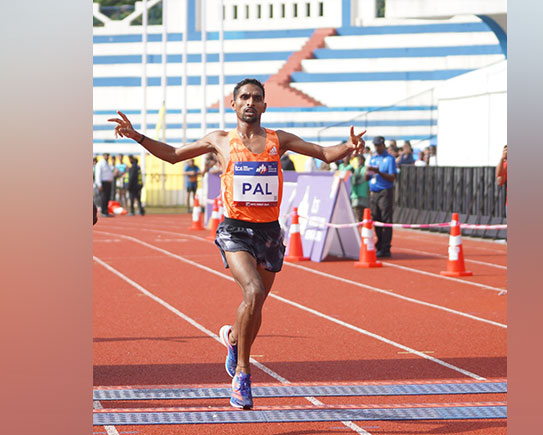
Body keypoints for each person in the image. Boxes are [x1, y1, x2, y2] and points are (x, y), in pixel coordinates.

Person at [109, 78, 365, 409]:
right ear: (233, 104)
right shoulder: (220, 140)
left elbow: (324, 154)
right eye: (244, 97)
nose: (250, 102)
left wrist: (348, 148)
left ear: (264, 106)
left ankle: (233, 339)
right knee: (253, 291)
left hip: (269, 232)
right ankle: (243, 374)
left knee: (255, 306)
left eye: (256, 98)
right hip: (235, 230)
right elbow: (173, 155)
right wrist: (137, 136)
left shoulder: (279, 140)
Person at [366, 136, 397, 258]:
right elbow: (367, 177)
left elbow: (392, 177)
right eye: (375, 145)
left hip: (385, 191)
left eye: (379, 145)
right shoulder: (373, 158)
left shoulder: (389, 159)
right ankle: (379, 243)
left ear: (383, 145)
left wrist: (378, 171)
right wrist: (368, 173)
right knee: (375, 219)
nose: (377, 147)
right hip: (374, 191)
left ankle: (386, 247)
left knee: (386, 220)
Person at [94, 153, 115, 217]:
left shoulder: (107, 164)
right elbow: (98, 174)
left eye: (108, 155)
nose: (107, 157)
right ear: (103, 156)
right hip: (103, 183)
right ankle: (103, 212)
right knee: (104, 198)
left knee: (107, 197)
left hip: (108, 183)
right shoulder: (100, 164)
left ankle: (106, 211)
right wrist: (99, 184)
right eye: (106, 155)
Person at [350, 154, 369, 222]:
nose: (359, 161)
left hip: (363, 191)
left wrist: (358, 182)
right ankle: (357, 220)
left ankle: (361, 221)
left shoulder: (365, 168)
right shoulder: (356, 169)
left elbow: (365, 178)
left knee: (362, 208)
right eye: (358, 160)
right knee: (355, 208)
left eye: (360, 160)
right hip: (355, 192)